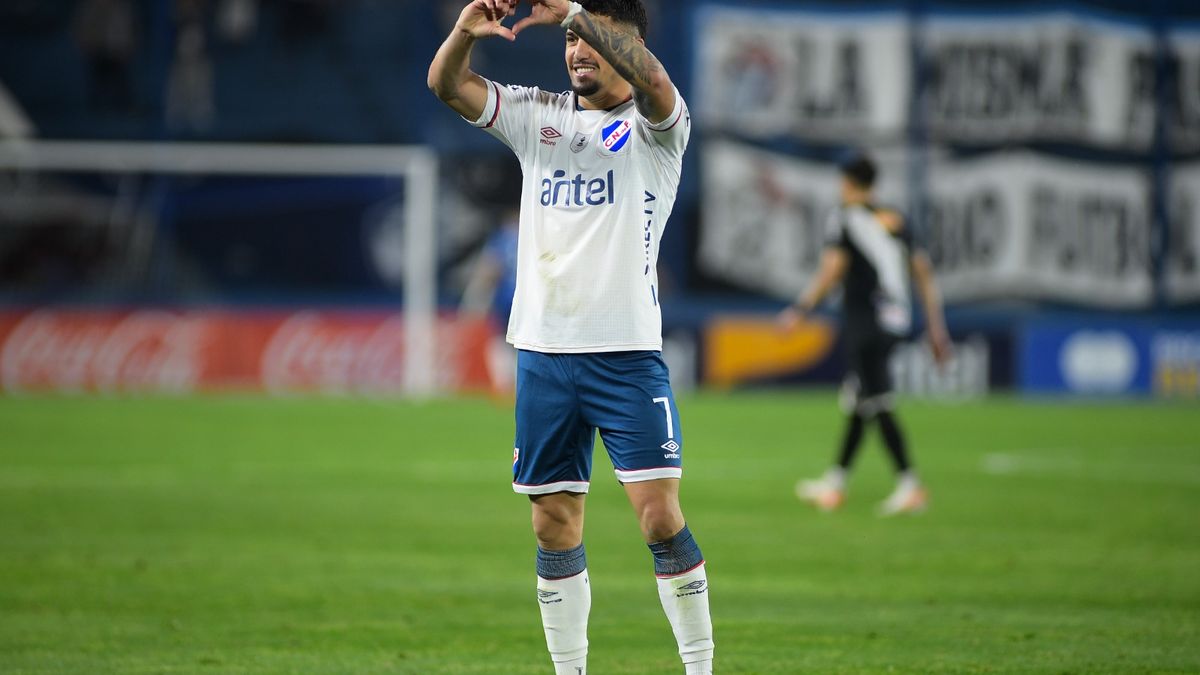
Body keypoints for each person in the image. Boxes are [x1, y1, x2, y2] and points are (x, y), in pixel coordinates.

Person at [428, 1, 713, 674]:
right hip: (544, 354)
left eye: (589, 40)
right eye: (569, 42)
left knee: (657, 517)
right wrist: (464, 34)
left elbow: (659, 86)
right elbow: (447, 86)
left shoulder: (657, 130)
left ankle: (699, 667)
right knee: (552, 522)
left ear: (629, 43)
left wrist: (582, 12)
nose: (576, 51)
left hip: (626, 355)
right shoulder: (539, 115)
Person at [777, 153, 951, 516]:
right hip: (896, 319)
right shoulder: (896, 219)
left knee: (877, 400)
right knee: (860, 399)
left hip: (865, 318)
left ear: (847, 182)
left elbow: (832, 270)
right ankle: (835, 483)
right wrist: (937, 327)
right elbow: (923, 272)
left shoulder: (844, 218)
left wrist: (800, 310)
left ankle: (910, 484)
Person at [460, 207, 520, 396]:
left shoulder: (502, 238)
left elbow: (491, 268)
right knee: (526, 343)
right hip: (528, 300)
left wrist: (475, 298)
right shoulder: (532, 236)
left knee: (500, 340)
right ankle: (520, 387)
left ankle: (504, 386)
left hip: (505, 298)